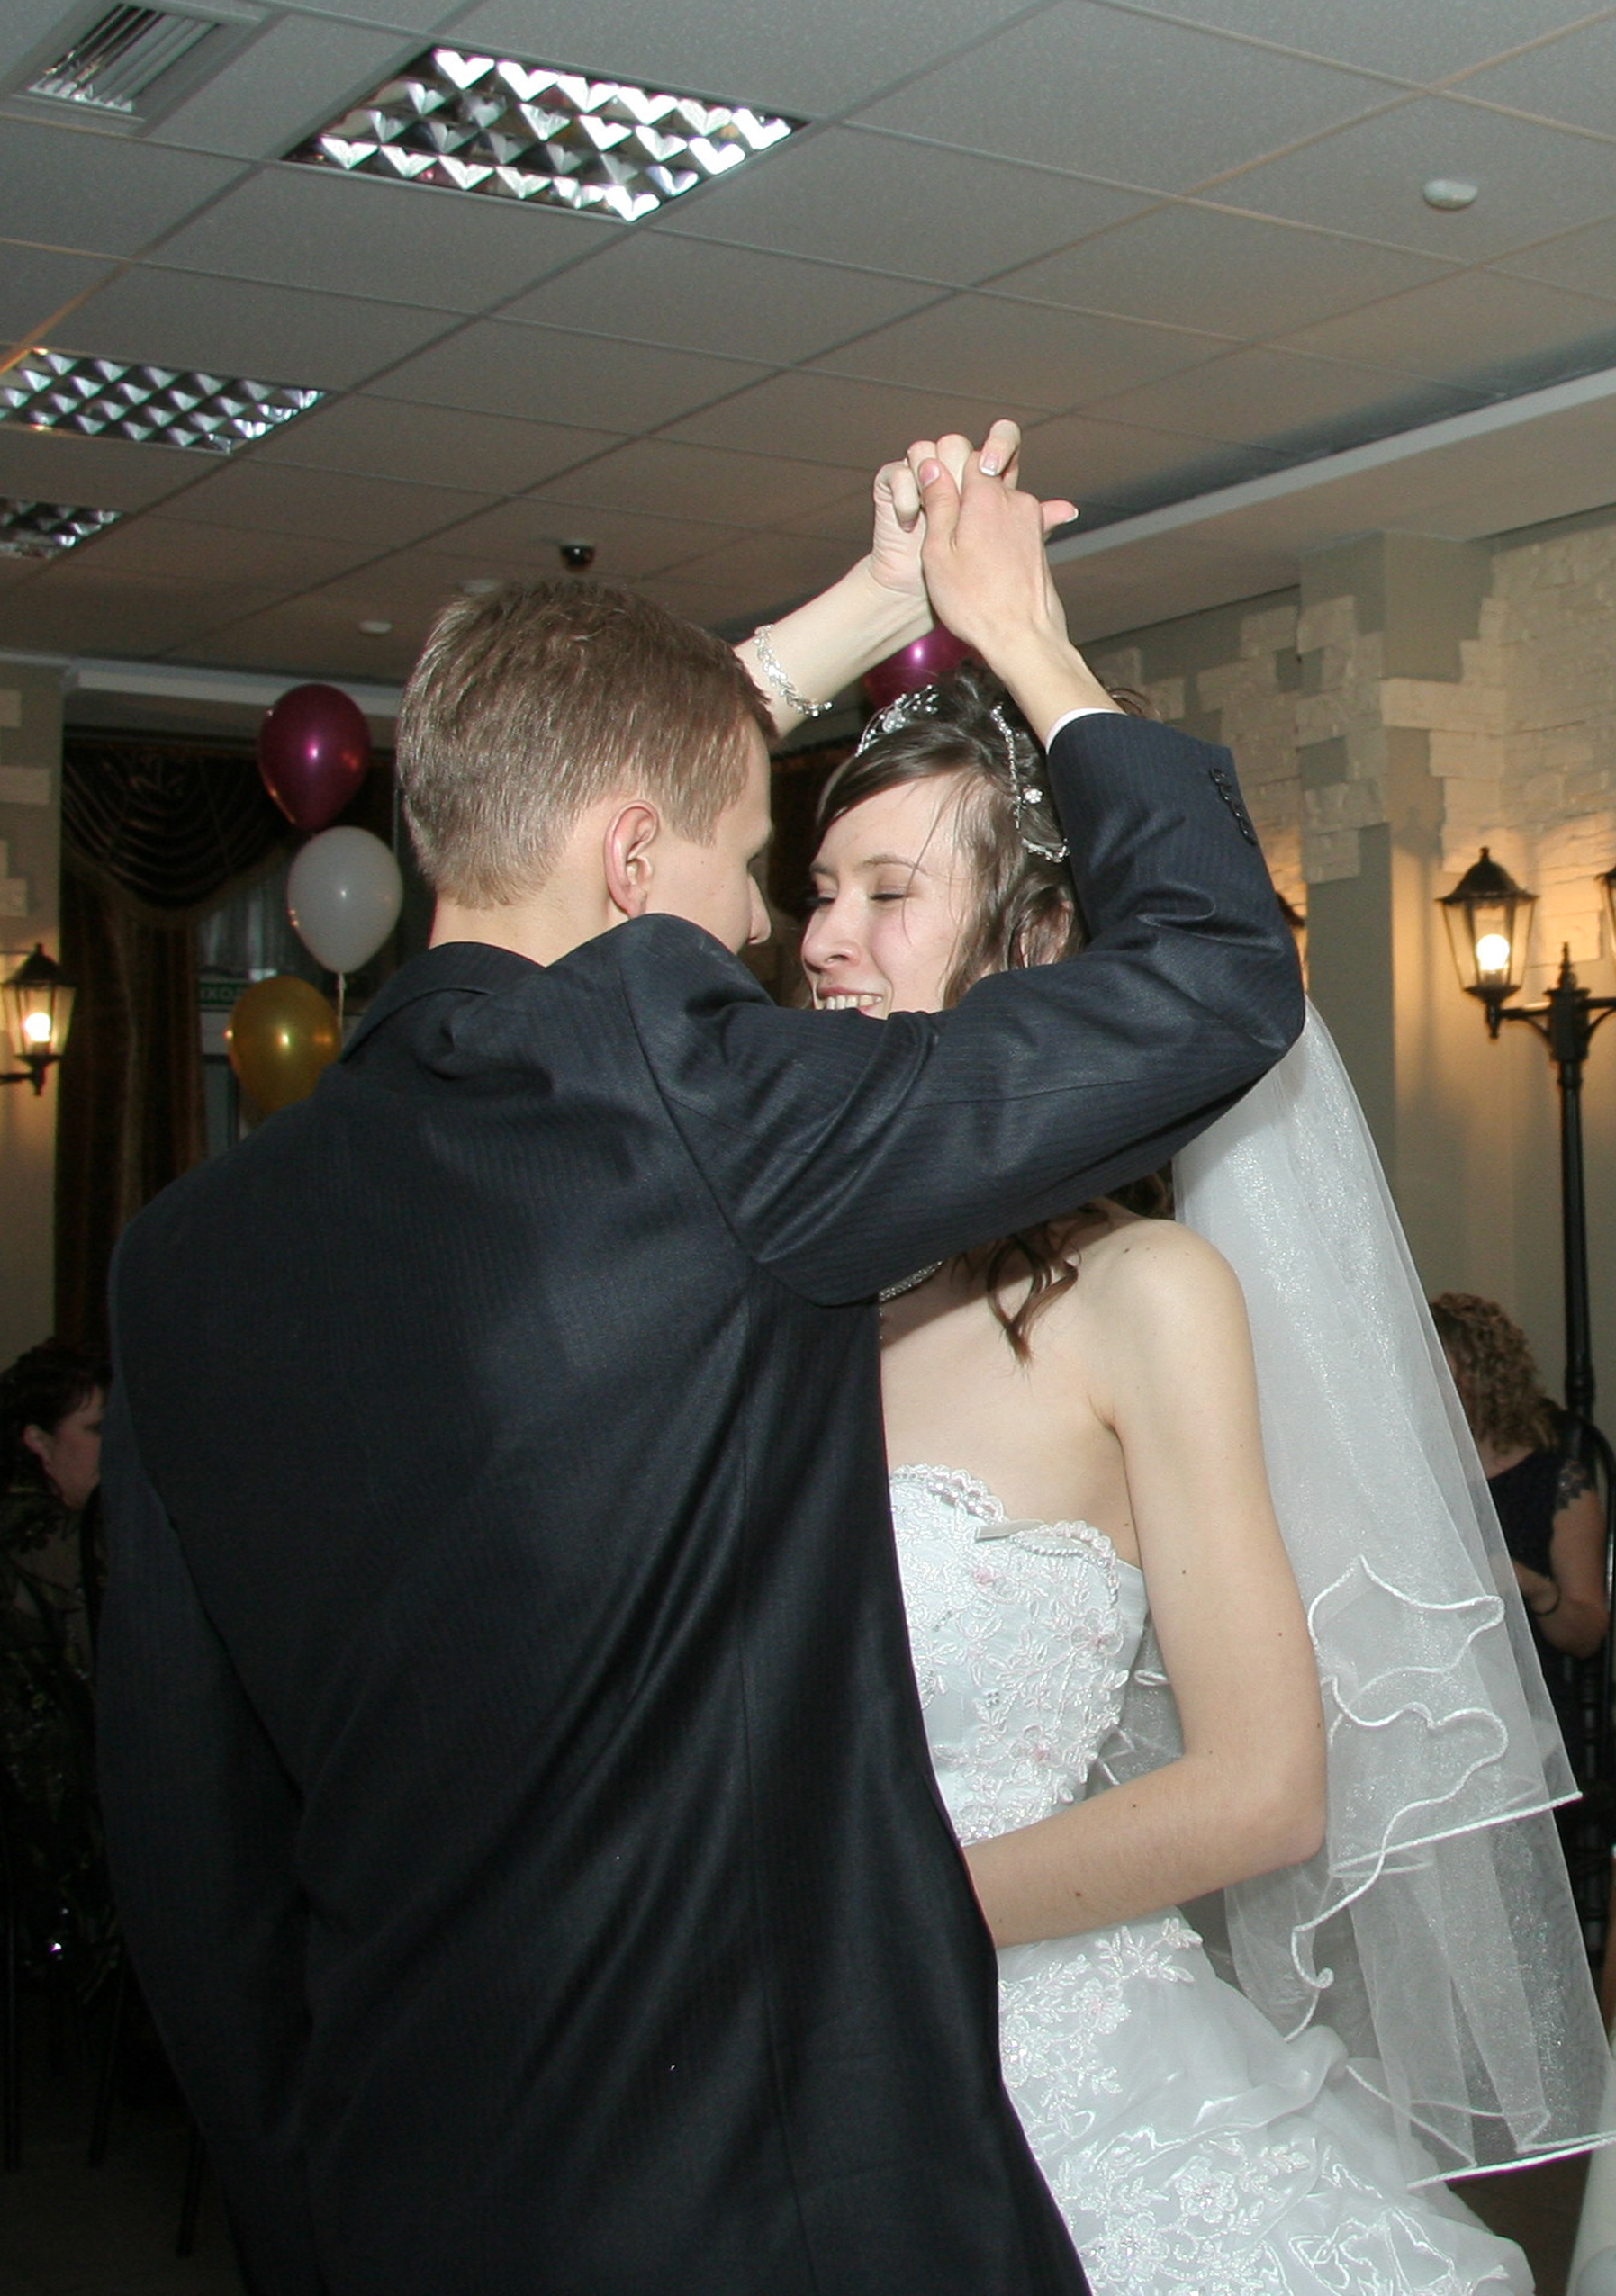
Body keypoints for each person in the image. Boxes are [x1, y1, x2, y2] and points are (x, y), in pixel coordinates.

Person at [95, 428, 1303, 2296]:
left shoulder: (187, 1257)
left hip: (407, 2201)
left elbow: (193, 1863)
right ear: (635, 857)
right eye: (751, 869)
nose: (764, 930)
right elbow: (1219, 973)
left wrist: (863, 607)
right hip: (769, 2219)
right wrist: (1020, 634)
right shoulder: (699, 1119)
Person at [801, 670, 1614, 2295]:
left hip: (1053, 2087)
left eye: (887, 894)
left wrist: (878, 1915)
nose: (822, 937)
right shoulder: (798, 1295)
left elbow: (1261, 1786)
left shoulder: (1144, 1297)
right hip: (776, 2077)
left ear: (1038, 947)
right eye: (815, 890)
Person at [1432, 1291, 1609, 1775]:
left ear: (1485, 1378)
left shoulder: (1555, 1482)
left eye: (1443, 1372)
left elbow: (1586, 1636)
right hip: (1433, 1693)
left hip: (1527, 1707)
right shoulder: (1413, 1478)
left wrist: (1534, 1588)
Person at [0, 1338, 111, 1993]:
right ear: (37, 1441)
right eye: (95, 1430)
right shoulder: (46, 1543)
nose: (115, 1447)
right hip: (51, 1843)